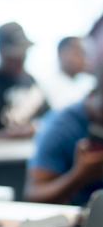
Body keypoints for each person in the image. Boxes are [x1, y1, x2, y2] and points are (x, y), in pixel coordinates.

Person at [25, 73, 103, 206]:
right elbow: (34, 195)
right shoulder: (60, 128)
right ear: (92, 95)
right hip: (80, 217)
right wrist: (80, 175)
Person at [39, 37, 96, 110]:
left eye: (85, 54)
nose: (83, 59)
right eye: (78, 53)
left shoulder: (89, 82)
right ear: (61, 54)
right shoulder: (46, 85)